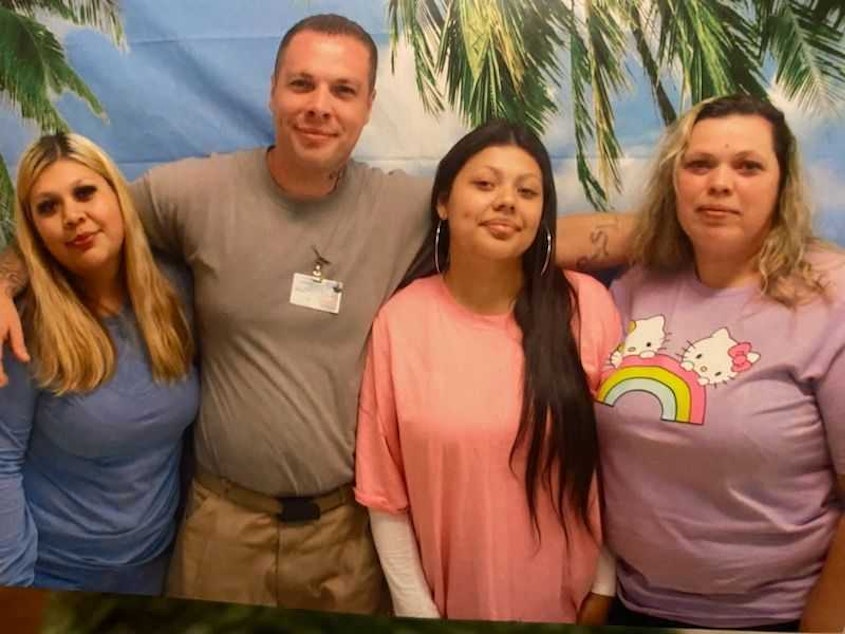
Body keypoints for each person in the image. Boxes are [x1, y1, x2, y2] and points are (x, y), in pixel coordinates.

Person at [0, 14, 631, 611]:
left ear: (367, 107)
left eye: (343, 89)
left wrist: (696, 233)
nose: (319, 105)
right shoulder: (192, 193)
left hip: (345, 537)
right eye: (301, 83)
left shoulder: (407, 207)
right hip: (222, 528)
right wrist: (5, 279)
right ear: (272, 91)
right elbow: (76, 223)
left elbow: (529, 228)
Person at [594, 94, 845, 631]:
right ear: (674, 180)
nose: (720, 183)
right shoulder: (636, 286)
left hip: (777, 617)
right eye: (699, 164)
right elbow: (536, 241)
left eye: (749, 166)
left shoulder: (833, 298)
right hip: (633, 605)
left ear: (783, 185)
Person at [354, 120, 620, 622]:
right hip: (445, 606)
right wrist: (417, 610)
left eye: (527, 190)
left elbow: (612, 468)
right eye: (484, 184)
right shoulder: (401, 321)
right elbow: (385, 493)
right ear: (443, 202)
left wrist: (602, 590)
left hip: (572, 607)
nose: (506, 201)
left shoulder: (586, 306)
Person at [0, 132, 198, 594]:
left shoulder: (176, 294)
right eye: (47, 207)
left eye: (85, 192)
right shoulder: (23, 323)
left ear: (118, 195)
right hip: (51, 573)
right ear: (34, 230)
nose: (73, 216)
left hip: (157, 567)